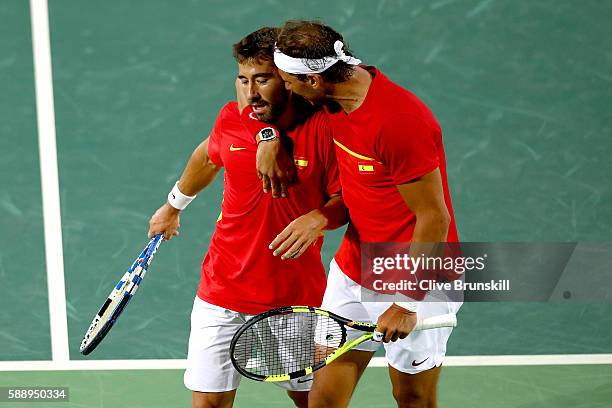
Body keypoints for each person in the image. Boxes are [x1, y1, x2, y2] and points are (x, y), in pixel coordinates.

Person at [254, 20, 461, 408]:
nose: (283, 87)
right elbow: (256, 112)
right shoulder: (328, 97)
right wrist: (267, 138)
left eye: (288, 80)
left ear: (314, 80)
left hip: (417, 274)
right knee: (324, 399)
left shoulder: (398, 123)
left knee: (412, 396)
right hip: (352, 270)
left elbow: (435, 218)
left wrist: (407, 302)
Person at [148, 27, 346, 408]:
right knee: (208, 405)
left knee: (311, 403)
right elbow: (208, 156)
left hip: (295, 300)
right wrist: (174, 205)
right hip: (221, 292)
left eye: (263, 79)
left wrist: (319, 217)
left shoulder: (324, 129)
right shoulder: (233, 118)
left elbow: (347, 200)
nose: (251, 92)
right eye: (243, 79)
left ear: (289, 80)